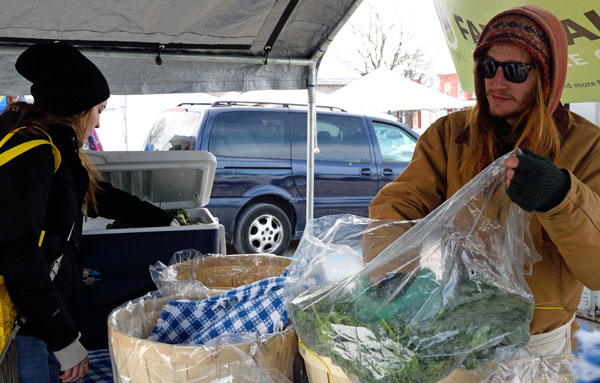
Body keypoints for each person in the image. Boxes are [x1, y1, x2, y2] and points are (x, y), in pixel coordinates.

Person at [368, 5, 600, 357]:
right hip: (457, 339)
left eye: (516, 70)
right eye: (488, 66)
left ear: (547, 76)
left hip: (540, 347)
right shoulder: (449, 137)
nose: (497, 81)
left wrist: (560, 197)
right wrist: (391, 271)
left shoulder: (588, 148)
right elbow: (396, 207)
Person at [0, 42, 177, 382]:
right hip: (24, 328)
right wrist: (63, 338)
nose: (97, 122)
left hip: (39, 322)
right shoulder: (34, 154)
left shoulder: (53, 147)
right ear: (77, 108)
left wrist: (163, 220)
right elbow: (18, 250)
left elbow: (97, 196)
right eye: (99, 110)